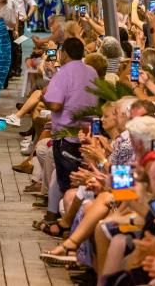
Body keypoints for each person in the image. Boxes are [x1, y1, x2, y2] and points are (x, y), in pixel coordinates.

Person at [42, 38, 97, 198]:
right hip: (88, 133)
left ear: (64, 53)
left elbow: (55, 106)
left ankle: (65, 218)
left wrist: (43, 99)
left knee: (67, 181)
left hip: (66, 136)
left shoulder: (63, 73)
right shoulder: (92, 71)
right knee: (80, 178)